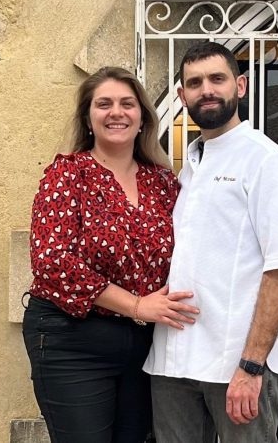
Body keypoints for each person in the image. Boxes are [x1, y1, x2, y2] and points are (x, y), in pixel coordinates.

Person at [22, 66, 199, 443]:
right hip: (73, 340)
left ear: (142, 119)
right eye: (104, 104)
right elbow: (52, 261)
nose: (116, 112)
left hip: (144, 345)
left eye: (127, 104)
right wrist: (136, 305)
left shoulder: (164, 183)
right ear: (89, 118)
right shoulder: (67, 175)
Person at [144, 42, 278, 442]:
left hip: (233, 365)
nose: (207, 90)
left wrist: (252, 365)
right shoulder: (190, 166)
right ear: (182, 97)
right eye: (195, 83)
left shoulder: (265, 160)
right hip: (171, 364)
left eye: (217, 79)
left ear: (241, 86)